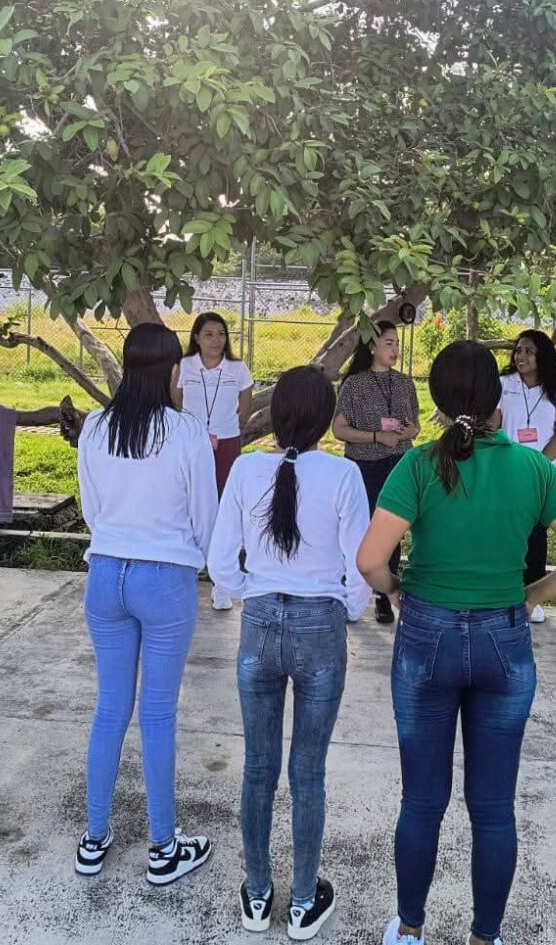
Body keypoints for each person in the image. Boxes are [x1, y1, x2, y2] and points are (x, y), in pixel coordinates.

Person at [356, 341, 556, 945]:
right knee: (493, 808)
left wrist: (396, 591)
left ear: (438, 400)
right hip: (504, 637)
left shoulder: (417, 465)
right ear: (499, 399)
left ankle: (410, 928)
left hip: (426, 637)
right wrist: (531, 595)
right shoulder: (532, 468)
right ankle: (485, 936)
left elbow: (369, 560)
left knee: (422, 801)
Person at [209, 365, 372, 940]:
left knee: (258, 766)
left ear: (275, 415)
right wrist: (348, 610)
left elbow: (220, 560)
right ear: (327, 418)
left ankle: (257, 895)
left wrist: (245, 593)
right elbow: (361, 565)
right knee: (308, 771)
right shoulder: (344, 475)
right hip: (319, 625)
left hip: (258, 624)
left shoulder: (246, 468)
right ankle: (303, 902)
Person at [75, 323, 219, 886]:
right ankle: (163, 847)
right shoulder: (186, 432)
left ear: (126, 367)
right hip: (165, 579)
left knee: (110, 707)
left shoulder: (95, 426)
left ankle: (93, 838)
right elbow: (205, 516)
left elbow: (92, 510)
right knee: (157, 713)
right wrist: (196, 561)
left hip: (105, 573)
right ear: (174, 371)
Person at [333, 321, 421, 625]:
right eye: (388, 343)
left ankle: (385, 595)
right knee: (359, 529)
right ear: (372, 347)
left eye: (397, 344)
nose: (395, 349)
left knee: (392, 530)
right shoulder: (354, 385)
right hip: (364, 464)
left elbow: (416, 425)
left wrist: (409, 431)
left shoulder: (404, 383)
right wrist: (375, 436)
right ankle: (351, 592)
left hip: (398, 463)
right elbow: (339, 429)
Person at [174, 311, 254, 611]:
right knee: (188, 503)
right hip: (192, 441)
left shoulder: (237, 367)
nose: (215, 340)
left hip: (227, 441)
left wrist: (233, 425)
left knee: (223, 506)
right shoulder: (184, 366)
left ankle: (221, 583)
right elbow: (176, 400)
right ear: (196, 337)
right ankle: (187, 573)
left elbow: (245, 401)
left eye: (221, 334)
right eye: (208, 334)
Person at [498, 329, 556, 623]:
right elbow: (494, 422)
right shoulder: (504, 384)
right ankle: (504, 591)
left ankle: (532, 598)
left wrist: (538, 465)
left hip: (543, 472)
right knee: (506, 531)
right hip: (508, 469)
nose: (521, 356)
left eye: (529, 351)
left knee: (536, 534)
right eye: (518, 350)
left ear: (542, 356)